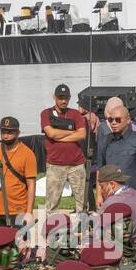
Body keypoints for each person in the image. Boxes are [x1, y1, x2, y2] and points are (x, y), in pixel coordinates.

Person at [94, 97, 136, 208]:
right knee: (113, 225)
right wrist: (99, 195)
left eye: (118, 120)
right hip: (111, 198)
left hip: (135, 198)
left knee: (134, 225)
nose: (113, 123)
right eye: (110, 120)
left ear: (128, 120)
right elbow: (101, 169)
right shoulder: (105, 140)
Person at [40, 83, 88, 212]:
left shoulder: (76, 114)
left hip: (76, 165)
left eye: (66, 98)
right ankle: (52, 229)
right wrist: (72, 131)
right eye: (60, 98)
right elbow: (51, 133)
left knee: (82, 202)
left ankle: (82, 228)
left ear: (70, 98)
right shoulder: (46, 113)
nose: (63, 101)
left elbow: (82, 134)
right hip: (55, 164)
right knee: (52, 203)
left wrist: (59, 136)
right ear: (54, 97)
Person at [0, 116, 37, 227]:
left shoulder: (27, 154)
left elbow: (31, 185)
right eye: (3, 132)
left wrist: (29, 212)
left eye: (9, 132)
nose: (5, 135)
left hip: (17, 211)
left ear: (18, 133)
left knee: (18, 243)